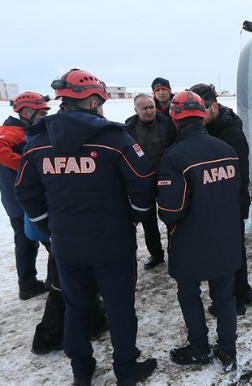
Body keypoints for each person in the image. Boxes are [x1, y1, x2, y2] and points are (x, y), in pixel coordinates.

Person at [15, 68, 157, 386]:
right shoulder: (113, 137)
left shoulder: (38, 141)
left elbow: (25, 190)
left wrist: (48, 226)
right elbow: (143, 180)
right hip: (113, 242)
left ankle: (81, 369)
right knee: (120, 307)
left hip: (66, 244)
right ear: (93, 102)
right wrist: (134, 215)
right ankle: (125, 368)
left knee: (76, 306)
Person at [157, 91, 241, 372]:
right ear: (202, 115)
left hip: (191, 242)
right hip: (227, 238)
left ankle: (199, 347)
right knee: (224, 297)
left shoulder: (175, 156)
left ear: (175, 118)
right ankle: (228, 351)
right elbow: (238, 194)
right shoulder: (226, 149)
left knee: (189, 294)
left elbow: (171, 211)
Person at [189, 83, 252, 316]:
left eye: (203, 108)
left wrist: (233, 204)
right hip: (223, 202)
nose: (199, 114)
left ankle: (235, 300)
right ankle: (244, 291)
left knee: (229, 252)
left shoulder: (230, 133)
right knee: (233, 249)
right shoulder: (211, 128)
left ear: (214, 106)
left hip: (231, 202)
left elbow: (241, 174)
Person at [0, 92, 50, 300]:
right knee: (47, 239)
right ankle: (39, 282)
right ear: (27, 112)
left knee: (27, 240)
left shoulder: (21, 130)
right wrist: (27, 165)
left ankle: (28, 283)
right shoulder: (14, 132)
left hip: (16, 199)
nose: (45, 116)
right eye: (41, 113)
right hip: (21, 200)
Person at [125, 94, 176, 269]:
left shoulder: (166, 124)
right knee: (148, 221)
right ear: (136, 110)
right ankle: (156, 254)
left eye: (151, 107)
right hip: (141, 182)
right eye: (144, 108)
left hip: (165, 179)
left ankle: (175, 251)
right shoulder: (129, 128)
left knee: (171, 216)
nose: (149, 111)